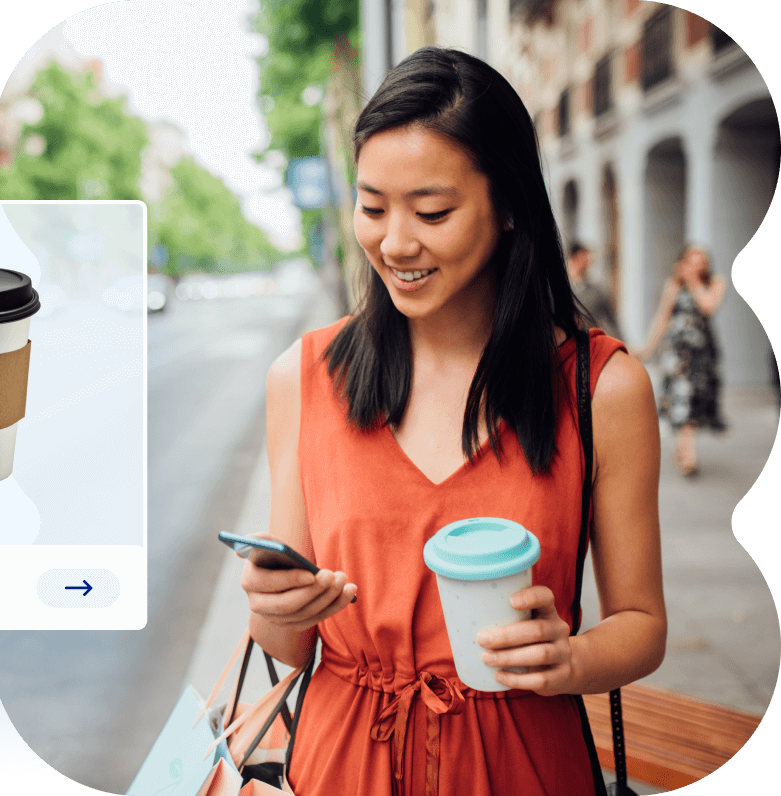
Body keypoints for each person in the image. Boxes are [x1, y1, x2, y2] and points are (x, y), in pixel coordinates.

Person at [241, 47, 666, 796]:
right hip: (339, 767)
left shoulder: (604, 387)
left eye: (431, 212)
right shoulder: (301, 378)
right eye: (372, 208)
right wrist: (273, 607)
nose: (395, 243)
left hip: (525, 764)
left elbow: (640, 621)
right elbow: (288, 646)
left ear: (508, 206)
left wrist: (572, 660)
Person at [632, 245, 727, 476]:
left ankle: (684, 448)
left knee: (694, 401)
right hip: (676, 356)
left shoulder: (715, 282)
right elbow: (662, 318)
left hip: (701, 355)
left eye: (700, 261)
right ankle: (688, 457)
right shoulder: (673, 285)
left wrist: (693, 280)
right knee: (681, 399)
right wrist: (646, 349)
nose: (696, 266)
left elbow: (708, 306)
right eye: (691, 261)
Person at [567, 243, 623, 340]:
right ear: (573, 258)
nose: (588, 262)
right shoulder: (559, 291)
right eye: (584, 257)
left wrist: (621, 344)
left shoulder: (596, 292)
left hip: (590, 344)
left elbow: (611, 322)